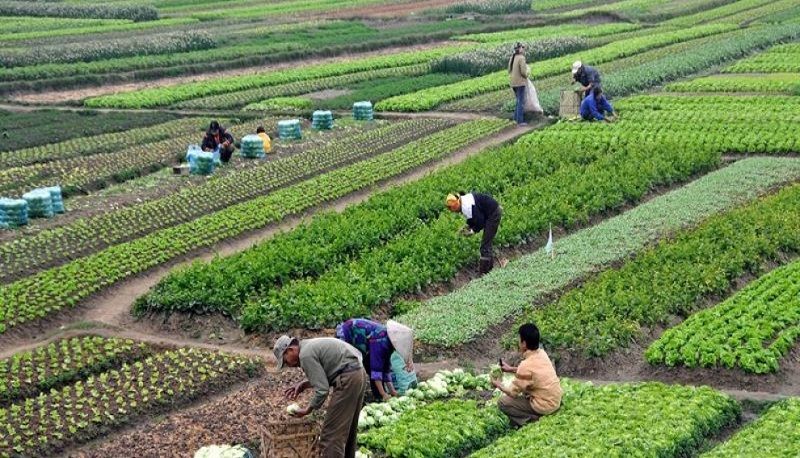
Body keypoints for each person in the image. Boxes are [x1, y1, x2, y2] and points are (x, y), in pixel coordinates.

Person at [274, 335, 367, 458]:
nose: (288, 365)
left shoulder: (305, 355)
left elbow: (322, 390)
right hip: (358, 373)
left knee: (330, 435)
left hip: (348, 378)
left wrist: (307, 410)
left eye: (286, 361)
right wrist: (305, 384)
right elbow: (328, 372)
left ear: (290, 350)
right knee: (348, 431)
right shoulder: (308, 345)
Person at [492, 323, 562, 427]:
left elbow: (512, 393)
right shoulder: (542, 353)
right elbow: (533, 372)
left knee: (503, 402)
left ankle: (532, 420)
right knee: (526, 392)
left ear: (524, 343)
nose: (518, 342)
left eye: (519, 340)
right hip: (555, 401)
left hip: (544, 406)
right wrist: (511, 369)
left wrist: (497, 384)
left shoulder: (525, 365)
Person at [335, 318, 415, 401]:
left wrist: (393, 391)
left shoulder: (389, 343)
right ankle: (350, 397)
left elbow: (386, 368)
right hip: (348, 335)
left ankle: (379, 395)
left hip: (363, 343)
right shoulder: (380, 341)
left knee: (377, 367)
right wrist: (383, 394)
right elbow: (376, 368)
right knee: (353, 370)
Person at [446, 192, 502, 274]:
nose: (454, 211)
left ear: (457, 204)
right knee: (487, 243)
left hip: (493, 214)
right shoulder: (464, 200)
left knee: (485, 245)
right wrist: (467, 226)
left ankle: (484, 272)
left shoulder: (467, 206)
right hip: (488, 213)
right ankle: (489, 269)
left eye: (454, 209)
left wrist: (472, 231)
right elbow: (472, 217)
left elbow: (480, 222)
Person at [508, 42, 529, 126]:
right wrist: (527, 74)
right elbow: (523, 72)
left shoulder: (512, 57)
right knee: (520, 102)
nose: (523, 49)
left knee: (518, 101)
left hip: (513, 82)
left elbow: (509, 70)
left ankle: (515, 119)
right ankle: (520, 121)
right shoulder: (521, 58)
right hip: (520, 82)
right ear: (520, 49)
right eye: (522, 48)